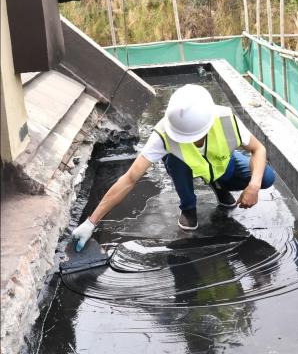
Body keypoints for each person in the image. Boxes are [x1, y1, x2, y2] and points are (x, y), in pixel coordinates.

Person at [72, 84, 275, 251]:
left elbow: (259, 149)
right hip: (189, 170)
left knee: (266, 177)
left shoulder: (224, 120)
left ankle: (219, 185)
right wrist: (91, 222)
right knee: (175, 159)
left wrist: (254, 186)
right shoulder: (165, 132)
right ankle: (188, 207)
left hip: (223, 165)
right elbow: (130, 178)